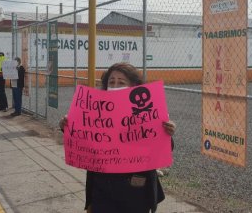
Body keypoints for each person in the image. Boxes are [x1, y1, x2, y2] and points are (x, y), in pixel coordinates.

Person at [59, 62, 176, 213]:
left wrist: (167, 132)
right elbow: (85, 139)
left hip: (136, 191)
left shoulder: (145, 113)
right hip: (102, 189)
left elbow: (162, 148)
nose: (115, 86)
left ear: (133, 86)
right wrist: (67, 127)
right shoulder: (95, 111)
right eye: (111, 82)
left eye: (121, 82)